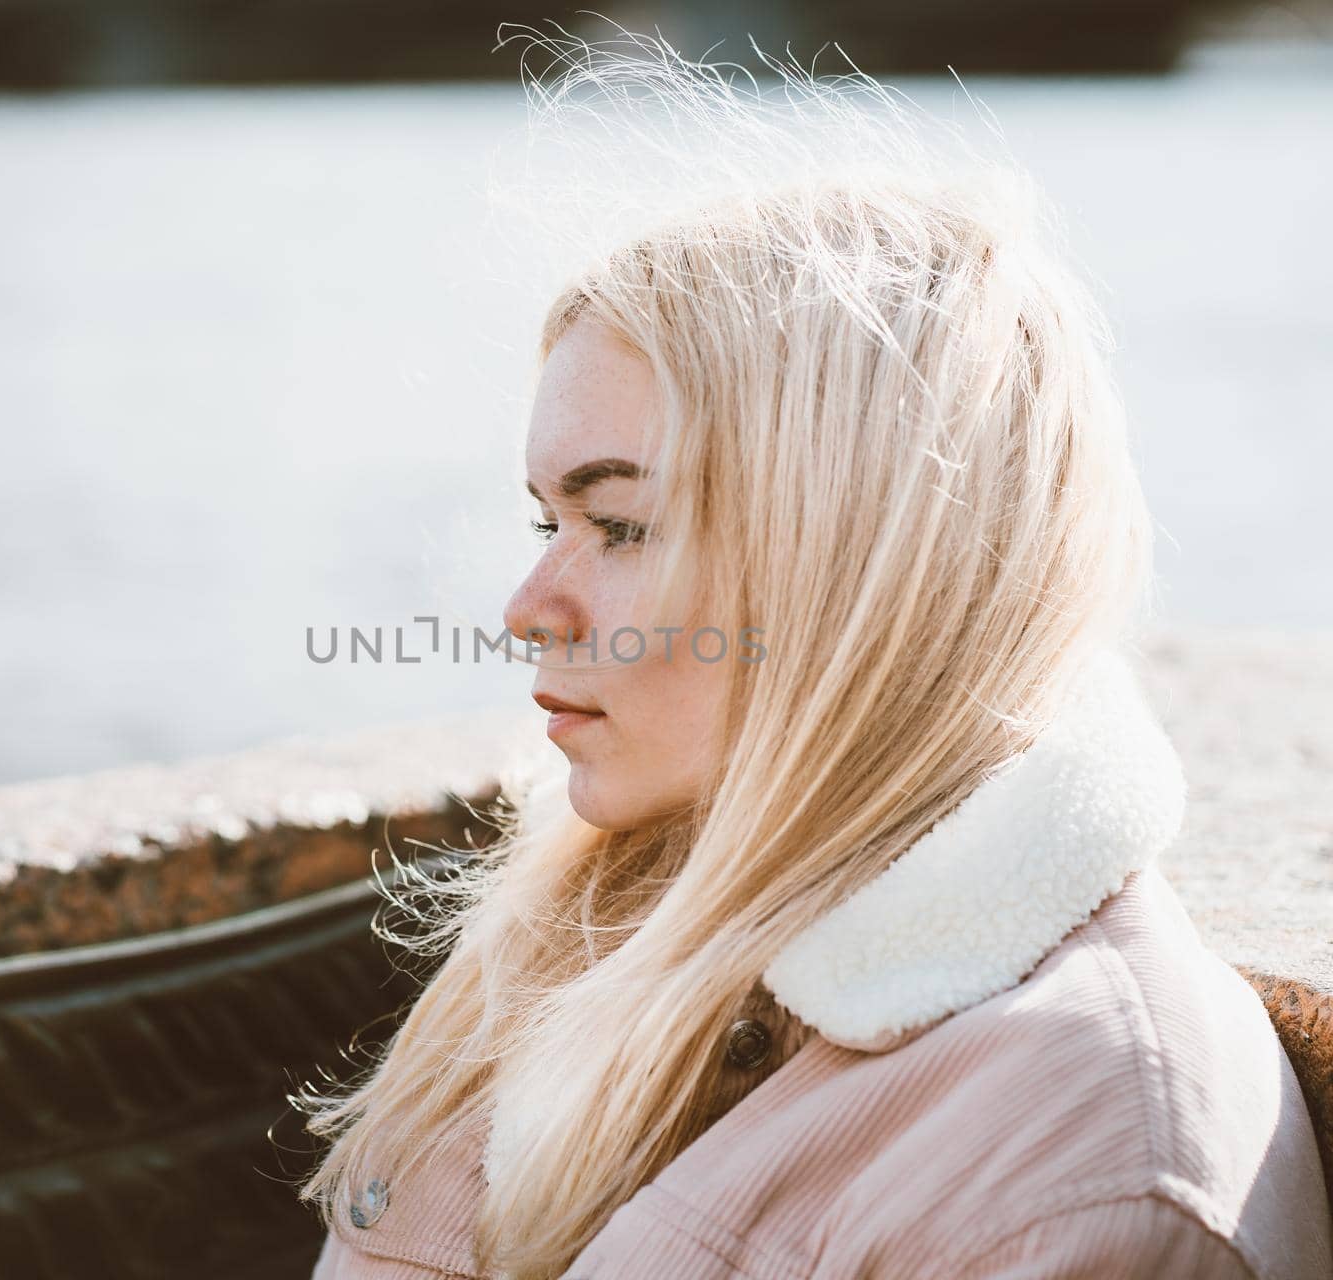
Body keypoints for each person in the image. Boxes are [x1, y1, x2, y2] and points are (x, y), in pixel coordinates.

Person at [293, 30, 1333, 1280]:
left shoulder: (1085, 1174)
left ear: (850, 566)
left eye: (619, 523)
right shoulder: (588, 921)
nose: (529, 605)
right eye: (545, 518)